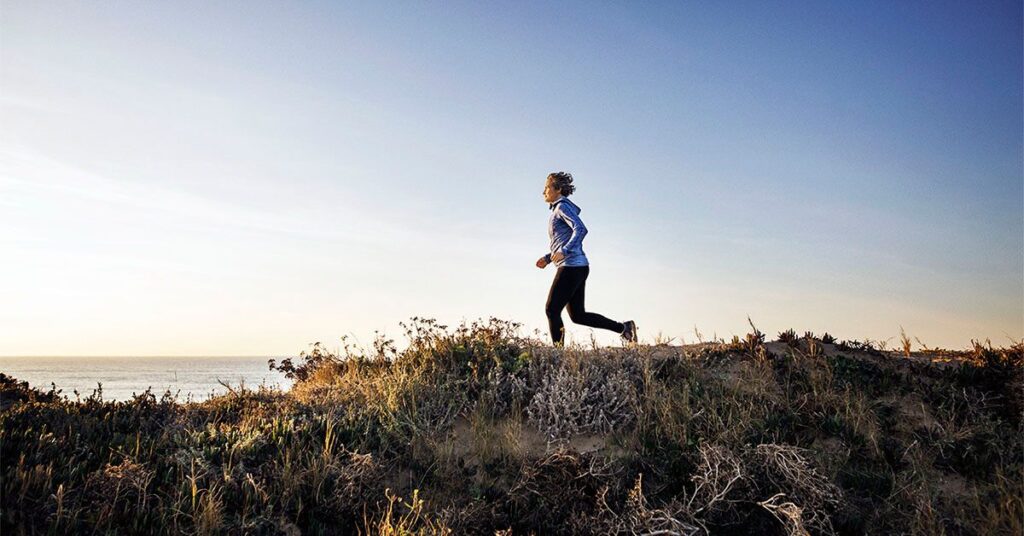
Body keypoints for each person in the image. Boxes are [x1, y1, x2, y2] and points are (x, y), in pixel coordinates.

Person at [536, 171, 637, 346]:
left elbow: (581, 229)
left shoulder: (562, 208)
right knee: (578, 316)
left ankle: (557, 354)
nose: (543, 191)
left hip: (571, 267)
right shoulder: (559, 209)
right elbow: (562, 240)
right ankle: (624, 328)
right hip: (576, 267)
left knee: (552, 309)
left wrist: (565, 251)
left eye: (547, 187)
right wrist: (548, 258)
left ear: (557, 189)